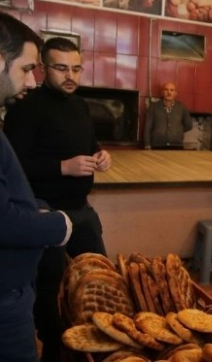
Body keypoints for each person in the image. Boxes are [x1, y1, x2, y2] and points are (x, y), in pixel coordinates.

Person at [3, 36, 111, 361]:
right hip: (44, 214)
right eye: (61, 68)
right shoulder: (24, 105)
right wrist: (62, 167)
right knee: (48, 291)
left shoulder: (81, 105)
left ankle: (102, 342)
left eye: (76, 68)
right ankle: (55, 347)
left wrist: (100, 156)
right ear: (45, 68)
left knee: (101, 281)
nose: (70, 76)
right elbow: (16, 168)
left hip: (82, 210)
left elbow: (91, 144)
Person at [0, 12, 72, 362]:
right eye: (28, 68)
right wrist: (57, 224)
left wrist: (34, 205)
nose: (31, 82)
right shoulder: (26, 111)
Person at [144, 82, 193, 150]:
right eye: (166, 90)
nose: (169, 92)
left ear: (175, 93)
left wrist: (177, 131)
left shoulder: (181, 107)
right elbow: (148, 127)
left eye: (172, 90)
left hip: (176, 146)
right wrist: (147, 144)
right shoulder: (153, 107)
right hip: (157, 145)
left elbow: (189, 125)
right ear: (162, 92)